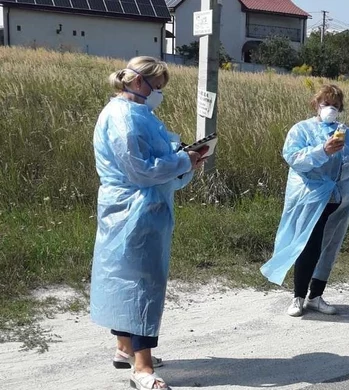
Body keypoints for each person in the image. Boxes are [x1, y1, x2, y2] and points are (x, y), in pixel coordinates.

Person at [90, 56, 208, 390]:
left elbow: (160, 166)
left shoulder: (136, 113)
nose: (159, 93)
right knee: (143, 285)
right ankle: (142, 369)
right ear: (139, 82)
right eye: (157, 87)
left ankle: (125, 348)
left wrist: (187, 162)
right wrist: (184, 159)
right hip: (136, 211)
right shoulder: (125, 118)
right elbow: (142, 171)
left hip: (133, 209)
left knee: (124, 279)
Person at [261, 84, 349, 317]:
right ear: (316, 104)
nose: (331, 109)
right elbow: (294, 158)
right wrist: (323, 150)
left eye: (336, 105)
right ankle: (298, 297)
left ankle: (316, 296)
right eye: (326, 104)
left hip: (340, 201)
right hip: (311, 199)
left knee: (329, 249)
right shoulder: (301, 130)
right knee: (308, 247)